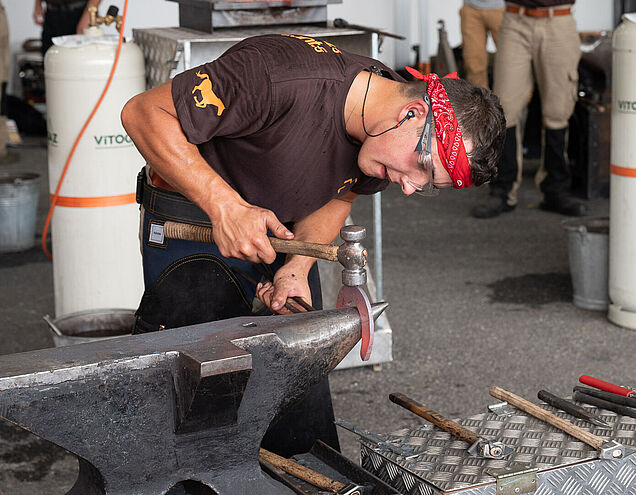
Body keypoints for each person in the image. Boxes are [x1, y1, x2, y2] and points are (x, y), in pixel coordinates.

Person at [121, 33, 505, 457]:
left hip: (281, 229)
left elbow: (340, 192)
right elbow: (142, 112)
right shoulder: (277, 76)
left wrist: (295, 268)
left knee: (297, 398)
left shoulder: (382, 141)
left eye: (427, 186)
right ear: (413, 114)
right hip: (193, 220)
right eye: (423, 168)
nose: (410, 188)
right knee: (191, 405)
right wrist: (225, 206)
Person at [472, 0, 586, 218]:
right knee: (504, 109)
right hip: (515, 20)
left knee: (558, 112)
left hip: (558, 20)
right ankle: (503, 190)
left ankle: (555, 191)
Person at [460, 0, 504, 89]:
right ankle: (480, 100)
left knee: (510, 60)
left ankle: (511, 101)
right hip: (471, 8)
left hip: (502, 8)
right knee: (473, 62)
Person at [33, 0, 101, 55]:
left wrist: (88, 15)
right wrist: (38, 3)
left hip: (80, 12)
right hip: (51, 12)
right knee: (49, 59)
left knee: (78, 61)